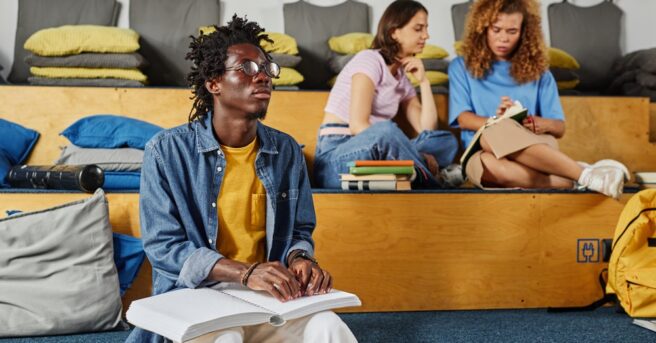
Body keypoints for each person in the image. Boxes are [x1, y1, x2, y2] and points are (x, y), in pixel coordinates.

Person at [126, 15, 356, 343]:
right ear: (214, 82)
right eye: (247, 68)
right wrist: (245, 272)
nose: (263, 76)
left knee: (329, 327)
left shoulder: (287, 151)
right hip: (196, 294)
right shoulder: (167, 151)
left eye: (267, 68)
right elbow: (164, 247)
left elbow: (298, 231)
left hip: (267, 296)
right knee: (227, 338)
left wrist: (300, 258)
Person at [448, 0, 629, 198]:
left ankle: (583, 175)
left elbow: (559, 128)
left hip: (534, 148)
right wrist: (499, 122)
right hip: (483, 151)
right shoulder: (460, 67)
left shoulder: (540, 73)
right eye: (496, 29)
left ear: (524, 32)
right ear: (482, 28)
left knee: (499, 134)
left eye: (512, 31)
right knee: (492, 146)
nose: (503, 39)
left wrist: (528, 123)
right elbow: (464, 119)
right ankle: (578, 176)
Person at [314, 0, 459, 189]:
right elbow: (358, 126)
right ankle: (435, 184)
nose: (426, 35)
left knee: (445, 141)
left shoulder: (402, 78)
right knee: (386, 130)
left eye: (426, 28)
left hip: (376, 158)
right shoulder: (369, 60)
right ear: (394, 32)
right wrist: (416, 153)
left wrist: (423, 82)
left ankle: (415, 169)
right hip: (337, 158)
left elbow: (427, 129)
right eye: (418, 28)